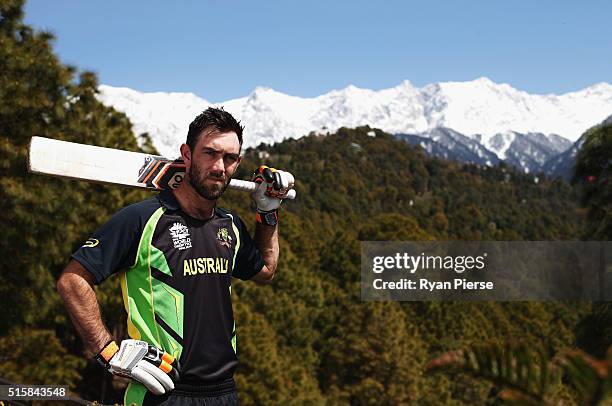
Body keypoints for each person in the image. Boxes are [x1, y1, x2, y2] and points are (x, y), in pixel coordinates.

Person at [57, 107, 294, 406]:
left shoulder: (230, 225)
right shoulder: (142, 219)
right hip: (161, 391)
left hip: (224, 393)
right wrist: (108, 351)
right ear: (187, 154)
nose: (219, 167)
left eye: (229, 158)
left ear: (238, 163)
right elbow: (72, 280)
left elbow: (265, 271)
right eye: (210, 153)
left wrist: (268, 213)